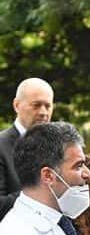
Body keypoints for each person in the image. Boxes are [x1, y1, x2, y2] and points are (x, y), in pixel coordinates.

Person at [0, 78, 54, 219]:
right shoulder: (1, 146)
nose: (43, 112)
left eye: (48, 106)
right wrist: (41, 192)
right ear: (17, 105)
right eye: (36, 105)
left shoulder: (59, 146)